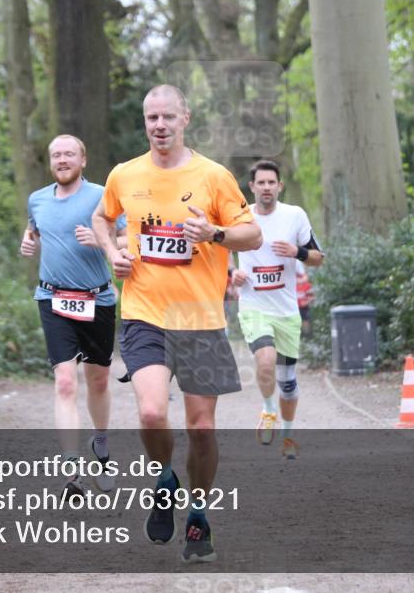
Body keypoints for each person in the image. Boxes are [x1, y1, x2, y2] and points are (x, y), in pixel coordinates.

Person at [92, 85, 261, 564]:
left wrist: (215, 233)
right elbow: (102, 218)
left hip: (199, 318)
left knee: (202, 427)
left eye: (168, 116)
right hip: (145, 313)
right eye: (152, 117)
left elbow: (252, 234)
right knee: (151, 413)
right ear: (145, 122)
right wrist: (111, 253)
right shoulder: (125, 174)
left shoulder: (213, 176)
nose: (159, 125)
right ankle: (165, 478)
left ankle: (198, 512)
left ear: (185, 118)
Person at [20, 134, 125, 498]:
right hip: (53, 298)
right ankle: (71, 471)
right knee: (65, 382)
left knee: (98, 381)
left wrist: (102, 241)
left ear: (83, 160)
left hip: (97, 299)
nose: (62, 160)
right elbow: (34, 230)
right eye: (56, 155)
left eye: (69, 154)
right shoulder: (37, 199)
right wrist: (28, 241)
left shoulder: (102, 195)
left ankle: (101, 443)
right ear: (51, 161)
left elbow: (129, 238)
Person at [231, 159, 323, 460]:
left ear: (280, 186)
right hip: (253, 306)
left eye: (272, 182)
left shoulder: (294, 216)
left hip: (286, 310)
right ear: (252, 187)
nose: (267, 187)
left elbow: (318, 258)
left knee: (288, 383)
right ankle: (269, 410)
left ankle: (288, 435)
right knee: (266, 360)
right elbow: (217, 251)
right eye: (261, 183)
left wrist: (297, 251)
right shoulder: (240, 218)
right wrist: (232, 274)